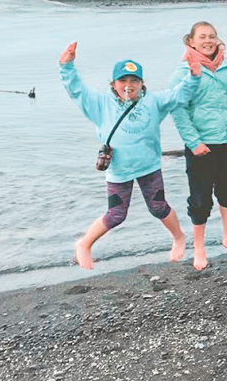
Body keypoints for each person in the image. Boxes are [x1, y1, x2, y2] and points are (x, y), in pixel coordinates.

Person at [59, 42, 202, 270]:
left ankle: (179, 237)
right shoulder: (100, 104)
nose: (128, 85)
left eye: (134, 81)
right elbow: (76, 90)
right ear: (114, 84)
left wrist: (194, 75)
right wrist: (67, 65)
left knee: (158, 207)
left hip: (148, 166)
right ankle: (84, 244)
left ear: (142, 83)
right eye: (123, 81)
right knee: (116, 215)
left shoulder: (154, 101)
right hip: (119, 170)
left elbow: (180, 94)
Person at [169, 22, 227, 270]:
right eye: (203, 37)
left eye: (212, 36)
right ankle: (199, 246)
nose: (208, 40)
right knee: (200, 199)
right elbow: (178, 110)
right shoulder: (183, 72)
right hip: (201, 146)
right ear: (191, 42)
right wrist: (194, 142)